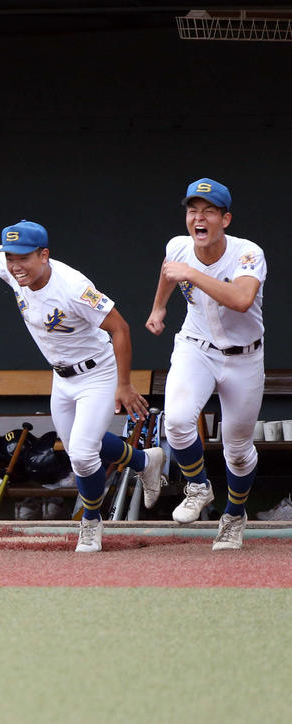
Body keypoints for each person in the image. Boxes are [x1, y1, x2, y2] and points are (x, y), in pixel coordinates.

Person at [0, 220, 166, 553]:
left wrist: (124, 384)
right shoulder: (12, 268)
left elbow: (120, 328)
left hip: (97, 373)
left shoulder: (72, 286)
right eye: (11, 257)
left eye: (24, 258)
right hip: (62, 377)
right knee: (78, 449)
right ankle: (144, 462)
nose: (15, 266)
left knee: (84, 456)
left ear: (44, 255)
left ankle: (90, 523)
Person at [145, 178, 265, 550]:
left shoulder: (248, 253)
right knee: (178, 420)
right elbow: (169, 271)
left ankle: (234, 515)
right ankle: (198, 487)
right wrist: (159, 306)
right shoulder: (179, 246)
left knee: (238, 449)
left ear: (225, 219)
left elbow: (243, 299)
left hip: (244, 356)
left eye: (209, 211)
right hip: (195, 345)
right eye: (192, 210)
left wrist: (194, 274)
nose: (198, 217)